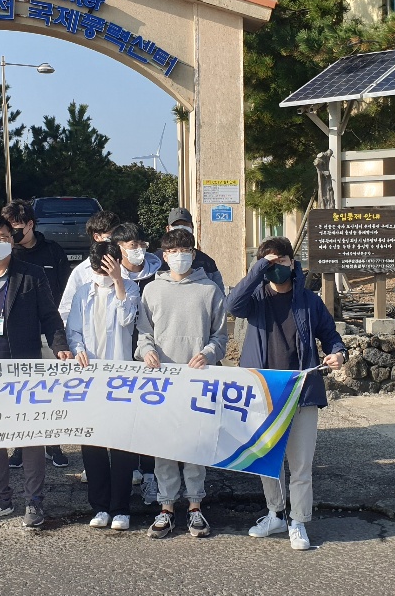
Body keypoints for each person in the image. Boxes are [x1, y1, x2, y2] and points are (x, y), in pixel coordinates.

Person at [225, 236, 346, 551]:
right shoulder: (256, 298)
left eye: (282, 260)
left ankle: (298, 521)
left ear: (293, 263)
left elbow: (330, 335)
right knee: (268, 459)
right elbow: (232, 305)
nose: (276, 267)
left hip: (302, 391)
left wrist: (338, 353)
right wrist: (258, 270)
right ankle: (275, 514)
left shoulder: (309, 301)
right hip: (264, 392)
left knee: (301, 463)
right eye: (270, 262)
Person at [0, 215, 72, 529]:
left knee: (30, 436)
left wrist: (59, 345)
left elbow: (50, 316)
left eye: (3, 237)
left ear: (12, 239)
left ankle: (34, 501)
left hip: (24, 369)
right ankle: (0, 499)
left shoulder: (31, 274)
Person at [135, 227, 228, 539]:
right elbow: (144, 332)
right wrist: (147, 351)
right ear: (164, 256)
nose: (179, 256)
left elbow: (220, 336)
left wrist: (208, 353)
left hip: (197, 380)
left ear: (194, 253)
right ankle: (165, 508)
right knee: (163, 446)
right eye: (173, 252)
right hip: (162, 382)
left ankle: (195, 506)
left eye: (185, 250)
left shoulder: (209, 291)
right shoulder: (152, 290)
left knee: (194, 445)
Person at [66, 241, 140, 531]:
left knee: (121, 444)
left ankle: (121, 508)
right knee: (92, 442)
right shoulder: (83, 292)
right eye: (99, 271)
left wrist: (119, 281)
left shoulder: (130, 289)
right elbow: (73, 330)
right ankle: (99, 506)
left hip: (120, 377)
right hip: (90, 377)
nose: (102, 276)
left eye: (107, 270)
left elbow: (126, 319)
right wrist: (78, 348)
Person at [3, 199, 72, 470]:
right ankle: (22, 446)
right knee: (21, 392)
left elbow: (66, 290)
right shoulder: (8, 254)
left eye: (16, 227)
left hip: (49, 332)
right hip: (19, 335)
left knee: (50, 391)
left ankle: (53, 444)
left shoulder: (53, 251)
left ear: (30, 224)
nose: (12, 233)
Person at [111, 222, 164, 504]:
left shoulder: (159, 274)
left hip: (153, 355)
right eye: (132, 246)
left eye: (142, 244)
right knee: (125, 415)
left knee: (150, 416)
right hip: (120, 354)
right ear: (119, 248)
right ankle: (128, 469)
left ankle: (150, 475)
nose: (138, 250)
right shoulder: (109, 275)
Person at [57, 209, 123, 322]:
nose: (116, 240)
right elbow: (66, 310)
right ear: (97, 237)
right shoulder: (82, 271)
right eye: (111, 235)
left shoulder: (125, 263)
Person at [156, 207, 225, 292]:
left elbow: (219, 293)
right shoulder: (156, 261)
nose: (181, 228)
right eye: (176, 225)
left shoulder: (207, 262)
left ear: (192, 228)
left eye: (185, 224)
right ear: (168, 229)